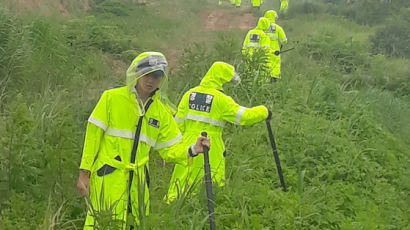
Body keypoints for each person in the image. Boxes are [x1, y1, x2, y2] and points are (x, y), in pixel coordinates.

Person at [77, 52, 210, 229]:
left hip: (138, 185)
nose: (151, 81)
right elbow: (92, 136)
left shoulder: (161, 112)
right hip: (109, 178)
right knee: (102, 223)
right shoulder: (111, 98)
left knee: (135, 224)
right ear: (137, 73)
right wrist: (84, 173)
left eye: (157, 76)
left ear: (162, 79)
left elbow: (171, 148)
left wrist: (193, 149)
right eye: (147, 74)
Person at [166, 61, 270, 202]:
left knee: (182, 177)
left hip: (187, 143)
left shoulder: (189, 94)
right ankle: (202, 208)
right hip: (209, 145)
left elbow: (178, 124)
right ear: (222, 80)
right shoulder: (221, 100)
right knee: (210, 181)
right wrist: (264, 111)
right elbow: (245, 117)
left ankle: (174, 205)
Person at [264, 10, 287, 82]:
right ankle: (273, 80)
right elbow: (284, 41)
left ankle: (264, 81)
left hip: (264, 50)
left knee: (264, 64)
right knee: (275, 65)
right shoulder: (278, 28)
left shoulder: (263, 27)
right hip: (275, 52)